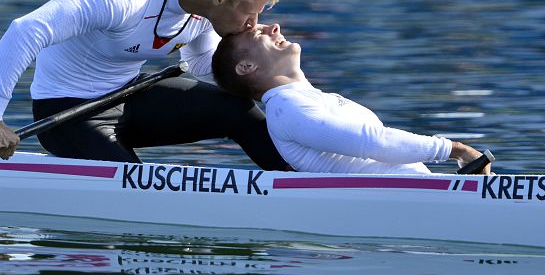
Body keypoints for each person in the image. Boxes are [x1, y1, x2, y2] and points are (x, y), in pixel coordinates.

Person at [0, 0, 290, 171]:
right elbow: (25, 31)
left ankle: (305, 184)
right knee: (137, 182)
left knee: (238, 111)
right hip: (66, 110)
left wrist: (277, 92)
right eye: (250, 12)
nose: (253, 24)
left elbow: (201, 64)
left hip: (128, 93)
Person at [211, 23, 492, 175]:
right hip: (400, 205)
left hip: (415, 196)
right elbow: (373, 142)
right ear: (246, 67)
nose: (274, 27)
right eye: (258, 33)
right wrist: (456, 150)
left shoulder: (308, 100)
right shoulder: (288, 110)